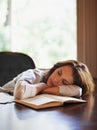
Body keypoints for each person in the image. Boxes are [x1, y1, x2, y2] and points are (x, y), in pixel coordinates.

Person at [1, 60, 95, 100]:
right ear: (56, 68)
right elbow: (20, 93)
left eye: (64, 82)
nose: (56, 80)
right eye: (59, 73)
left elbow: (78, 90)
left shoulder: (54, 86)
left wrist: (45, 90)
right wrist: (42, 86)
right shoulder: (34, 74)